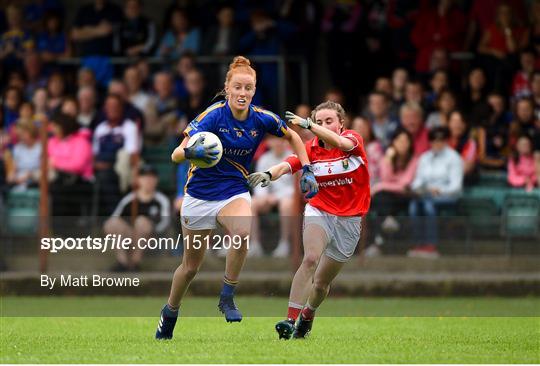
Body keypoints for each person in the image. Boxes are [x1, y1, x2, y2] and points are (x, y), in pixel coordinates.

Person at [155, 56, 315, 339]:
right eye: (238, 87)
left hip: (233, 190)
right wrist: (194, 152)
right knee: (190, 267)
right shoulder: (213, 115)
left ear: (254, 91)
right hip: (199, 195)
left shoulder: (260, 117)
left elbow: (294, 137)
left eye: (248, 88)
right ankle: (169, 312)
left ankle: (227, 295)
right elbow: (176, 154)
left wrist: (307, 169)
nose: (243, 93)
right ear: (227, 88)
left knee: (242, 233)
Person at [250, 101, 370, 339]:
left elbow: (340, 143)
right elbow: (288, 164)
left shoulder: (352, 140)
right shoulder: (310, 149)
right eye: (319, 121)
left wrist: (309, 124)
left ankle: (308, 314)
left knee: (321, 285)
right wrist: (268, 174)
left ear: (341, 124)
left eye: (329, 121)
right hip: (320, 211)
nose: (323, 125)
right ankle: (289, 320)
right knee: (311, 259)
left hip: (349, 221)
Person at [408, 127, 463, 258]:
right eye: (434, 140)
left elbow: (456, 187)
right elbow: (418, 180)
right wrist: (415, 188)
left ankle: (431, 245)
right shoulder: (425, 157)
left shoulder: (454, 157)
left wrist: (439, 190)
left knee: (428, 205)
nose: (437, 143)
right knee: (413, 206)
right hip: (427, 194)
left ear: (446, 141)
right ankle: (418, 243)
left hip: (448, 196)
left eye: (441, 140)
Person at [104, 164, 171, 271]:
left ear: (156, 180)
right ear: (138, 180)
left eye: (152, 177)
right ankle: (122, 262)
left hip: (152, 241)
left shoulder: (161, 200)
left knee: (142, 222)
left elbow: (165, 224)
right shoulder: (129, 199)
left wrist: (150, 230)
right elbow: (114, 219)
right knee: (112, 223)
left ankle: (135, 262)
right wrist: (132, 233)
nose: (148, 180)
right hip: (129, 238)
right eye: (145, 177)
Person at [368, 129, 418, 256]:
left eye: (405, 141)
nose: (402, 144)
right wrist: (388, 159)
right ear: (393, 143)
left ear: (410, 144)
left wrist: (381, 186)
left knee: (381, 195)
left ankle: (378, 242)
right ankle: (388, 222)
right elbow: (386, 177)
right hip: (388, 197)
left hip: (405, 197)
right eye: (399, 141)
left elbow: (405, 184)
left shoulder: (414, 160)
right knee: (381, 198)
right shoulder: (387, 158)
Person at [250, 135, 295, 258]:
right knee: (252, 203)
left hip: (287, 197)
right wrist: (264, 196)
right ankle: (254, 244)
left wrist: (277, 196)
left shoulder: (292, 157)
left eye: (280, 139)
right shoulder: (264, 159)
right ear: (268, 142)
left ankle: (284, 243)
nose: (277, 142)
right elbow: (259, 184)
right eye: (273, 139)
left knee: (286, 204)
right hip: (269, 199)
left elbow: (295, 186)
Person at [48, 112, 93, 230]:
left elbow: (78, 165)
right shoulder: (52, 141)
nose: (52, 129)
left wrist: (56, 163)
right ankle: (54, 229)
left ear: (64, 126)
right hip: (58, 179)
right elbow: (46, 160)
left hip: (80, 180)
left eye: (55, 126)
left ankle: (68, 230)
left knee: (60, 190)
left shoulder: (81, 142)